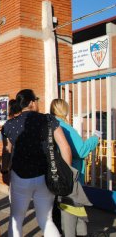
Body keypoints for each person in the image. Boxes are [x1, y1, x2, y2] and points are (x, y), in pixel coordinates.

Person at [1, 89, 72, 237]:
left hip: (20, 176)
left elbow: (6, 151)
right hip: (45, 177)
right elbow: (65, 147)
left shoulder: (9, 125)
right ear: (32, 102)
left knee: (16, 219)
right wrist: (67, 173)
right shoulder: (49, 120)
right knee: (46, 220)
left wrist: (5, 171)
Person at [50, 98, 100, 237]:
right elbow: (81, 150)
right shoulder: (65, 127)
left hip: (55, 173)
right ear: (64, 110)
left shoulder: (50, 124)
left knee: (60, 209)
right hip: (71, 174)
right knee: (74, 211)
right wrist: (94, 138)